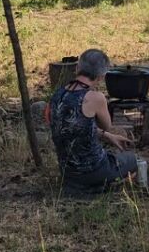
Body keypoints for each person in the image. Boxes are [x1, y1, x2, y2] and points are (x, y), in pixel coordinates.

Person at [49, 49, 138, 196]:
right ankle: (99, 186)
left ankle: (80, 187)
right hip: (94, 170)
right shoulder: (96, 98)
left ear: (77, 68)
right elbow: (107, 125)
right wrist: (108, 132)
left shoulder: (58, 95)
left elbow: (73, 126)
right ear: (102, 77)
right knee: (133, 159)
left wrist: (107, 136)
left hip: (68, 173)